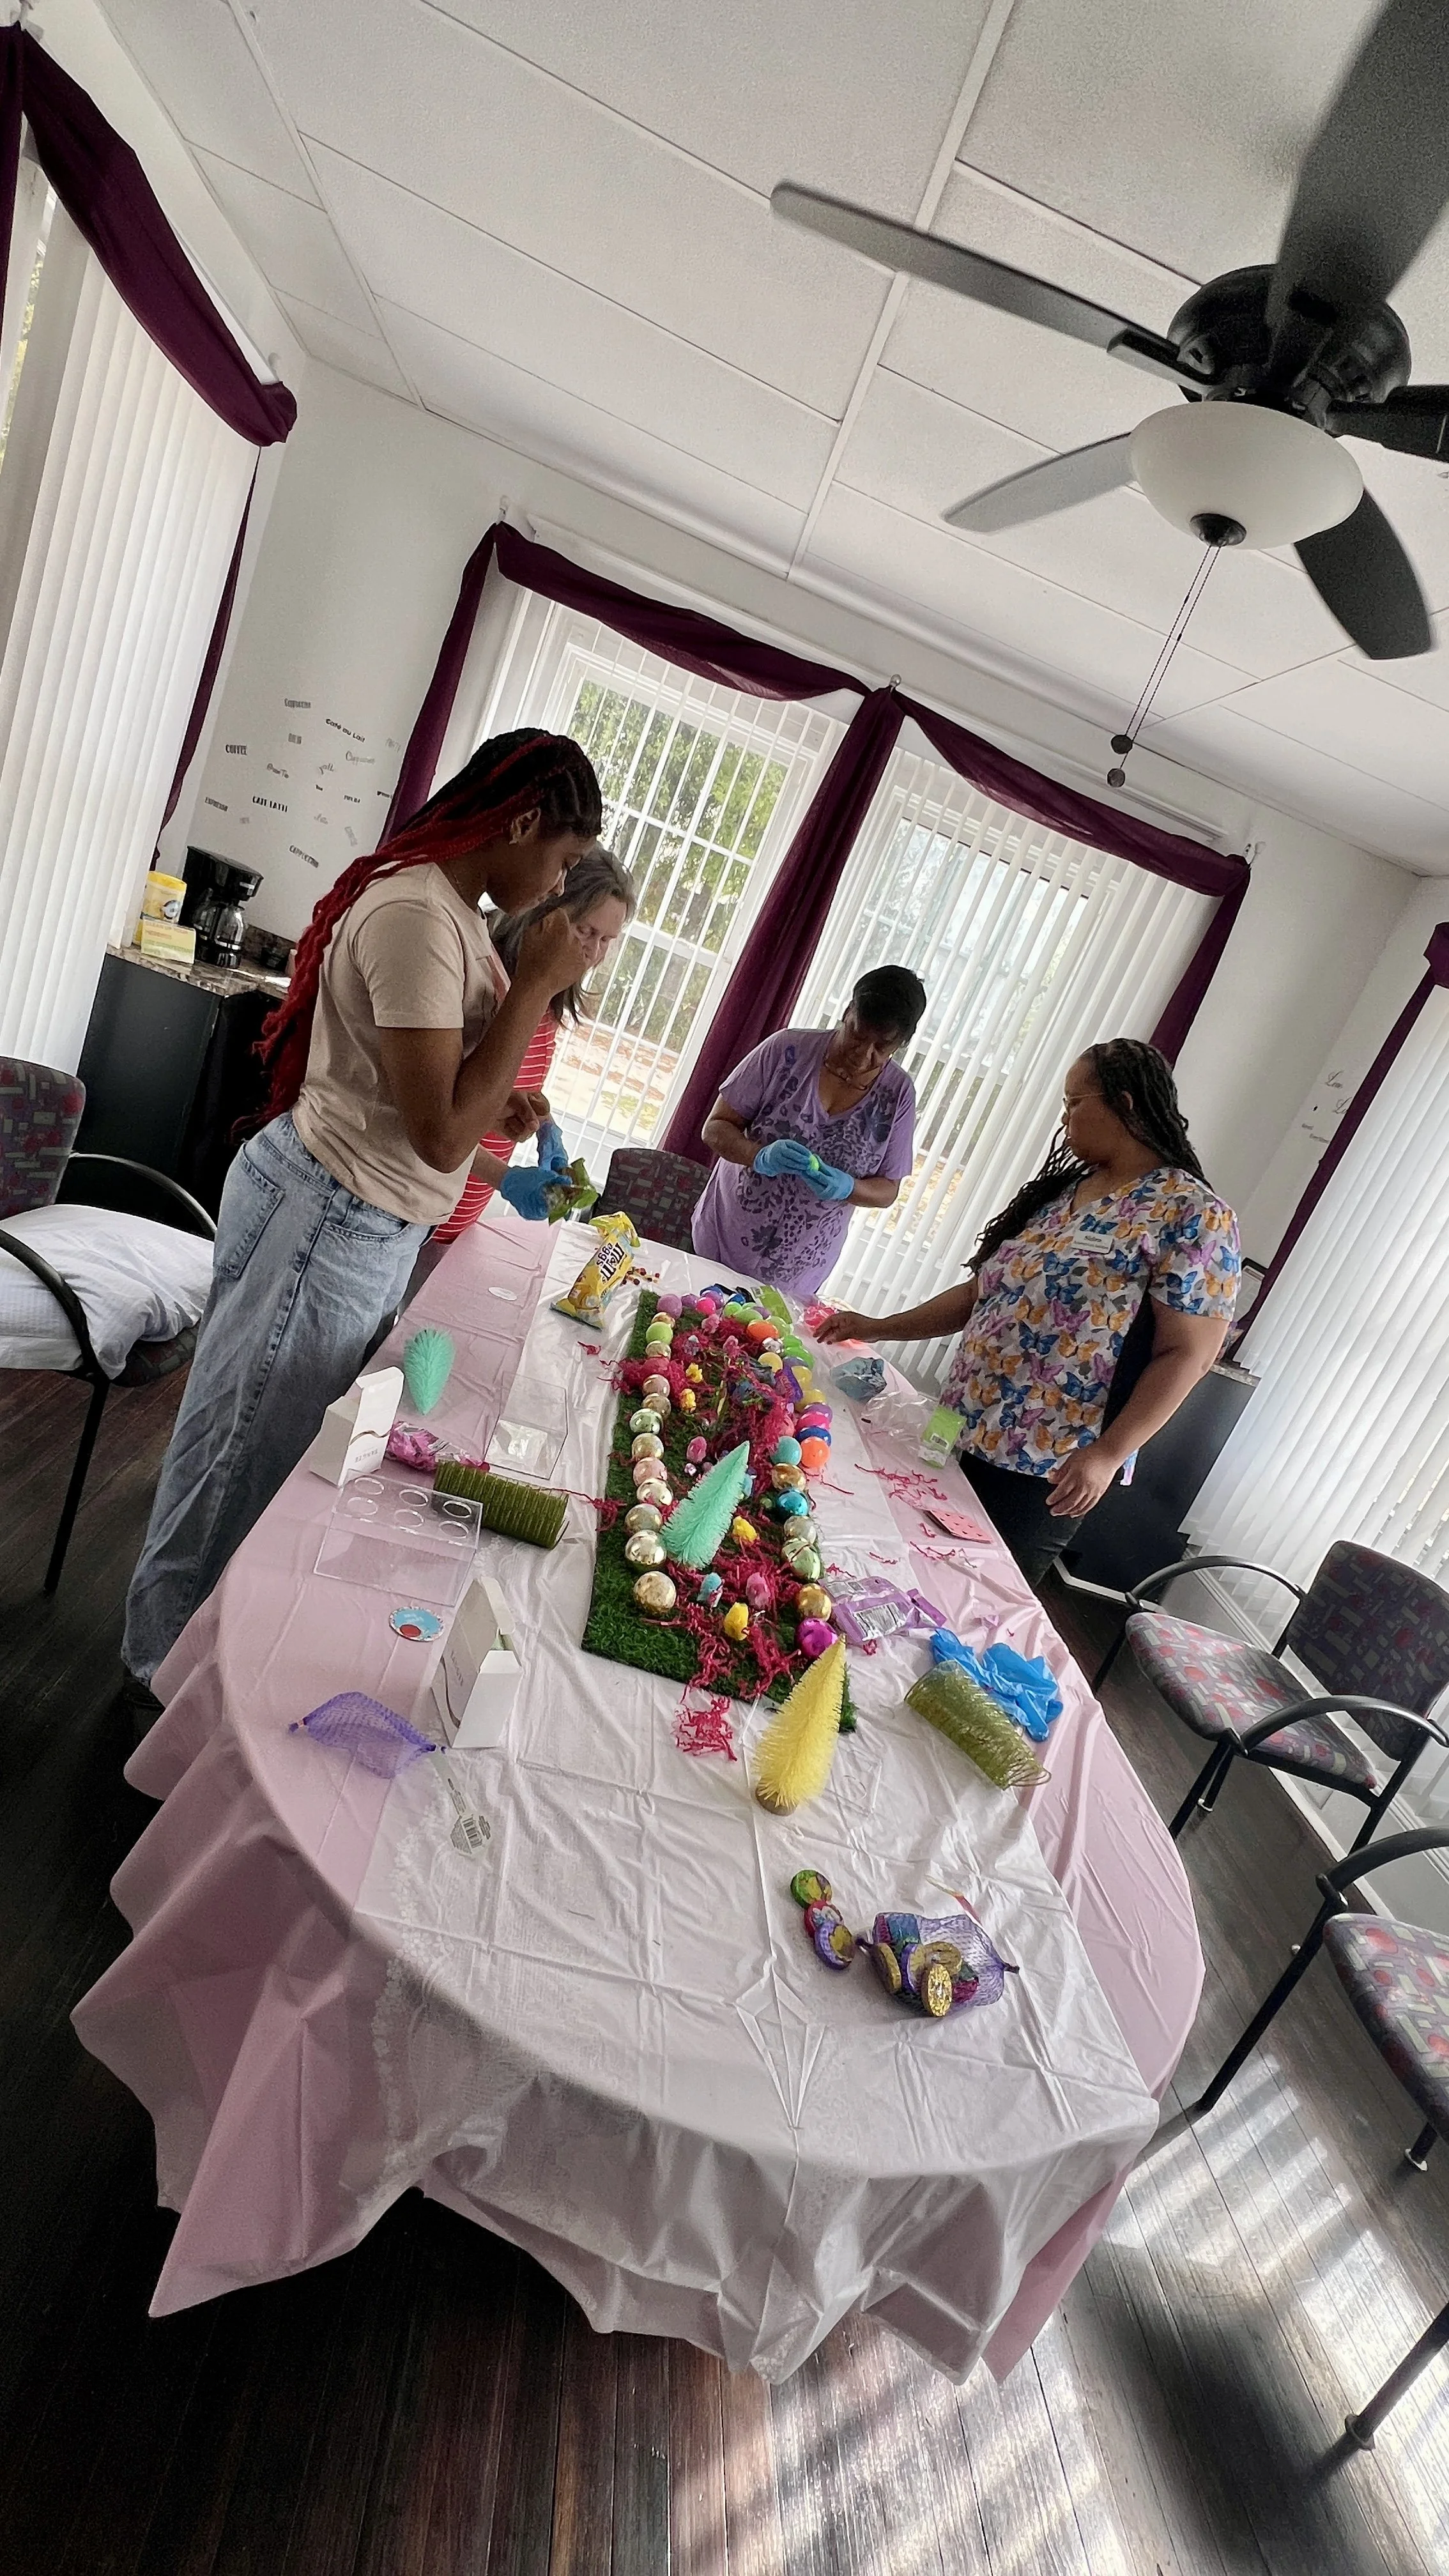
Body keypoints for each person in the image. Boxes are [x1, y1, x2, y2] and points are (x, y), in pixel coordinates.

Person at [123, 729, 602, 1687]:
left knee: (260, 1452)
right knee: (238, 1458)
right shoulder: (418, 915)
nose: (560, 888)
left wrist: (495, 1099)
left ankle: (182, 1660)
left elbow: (424, 1092)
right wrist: (535, 989)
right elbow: (436, 1135)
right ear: (521, 822)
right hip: (330, 1218)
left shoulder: (452, 912)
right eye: (564, 860)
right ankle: (156, 1673)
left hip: (357, 1218)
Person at [820, 1039, 1239, 1584]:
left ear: (1125, 1105)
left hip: (1045, 1462)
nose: (1064, 1120)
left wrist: (1109, 1454)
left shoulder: (1192, 1213)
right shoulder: (1063, 1196)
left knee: (973, 1594)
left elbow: (1189, 1353)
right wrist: (877, 1327)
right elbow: (980, 1294)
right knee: (903, 1557)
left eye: (1074, 1103)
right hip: (957, 1422)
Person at [429, 847, 636, 1241]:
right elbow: (431, 1115)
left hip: (461, 1216)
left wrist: (544, 1123)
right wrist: (504, 1178)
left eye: (607, 940)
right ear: (545, 912)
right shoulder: (485, 981)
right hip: (423, 1205)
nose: (593, 952)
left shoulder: (548, 1002)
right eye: (586, 931)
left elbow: (507, 1084)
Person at [690, 965, 926, 1299]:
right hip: (723, 1238)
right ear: (847, 1012)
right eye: (857, 1035)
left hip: (798, 1271)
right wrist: (758, 1156)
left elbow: (887, 1190)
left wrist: (848, 1187)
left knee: (759, 1333)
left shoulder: (897, 1095)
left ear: (901, 1044)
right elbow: (715, 1128)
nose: (863, 1056)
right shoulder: (786, 1050)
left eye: (881, 1048)